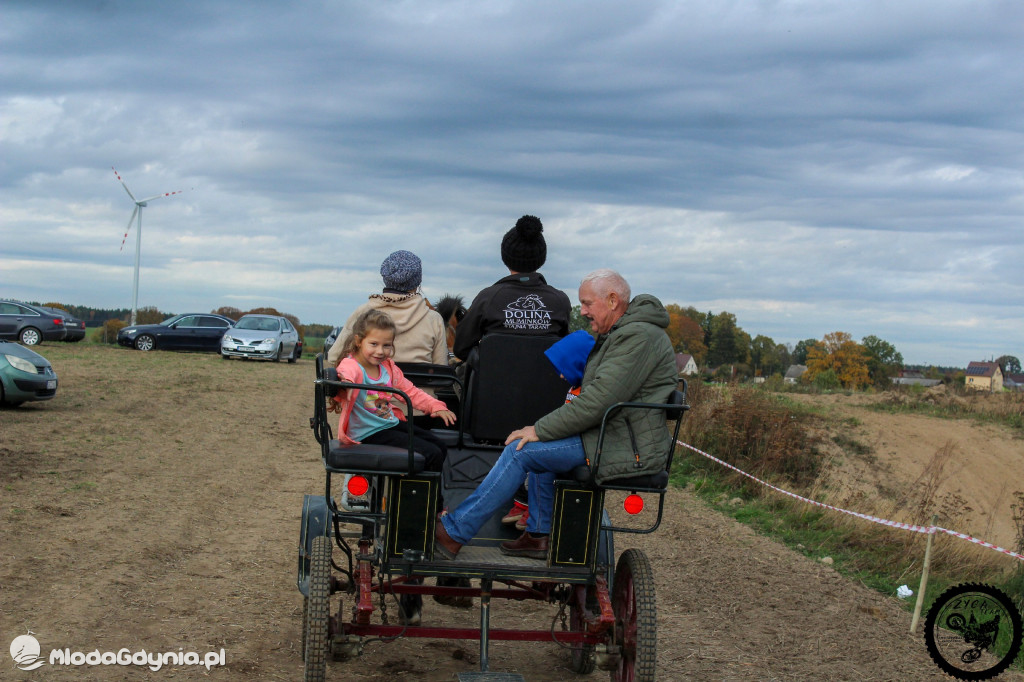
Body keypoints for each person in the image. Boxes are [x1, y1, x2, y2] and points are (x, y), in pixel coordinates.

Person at [435, 269, 678, 560]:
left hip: (622, 444)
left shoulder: (636, 337)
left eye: (587, 303)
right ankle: (539, 535)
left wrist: (538, 429)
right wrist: (545, 429)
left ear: (612, 300)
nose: (583, 311)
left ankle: (454, 532)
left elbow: (598, 401)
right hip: (610, 434)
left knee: (520, 449)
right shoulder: (627, 332)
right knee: (540, 451)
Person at [329, 309, 456, 471]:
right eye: (374, 344)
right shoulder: (352, 366)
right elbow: (346, 375)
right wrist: (345, 382)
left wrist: (435, 406)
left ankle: (423, 493)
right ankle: (416, 494)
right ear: (359, 341)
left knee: (440, 446)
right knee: (432, 453)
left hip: (388, 424)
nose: (380, 351)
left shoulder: (387, 367)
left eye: (386, 345)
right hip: (367, 433)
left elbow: (410, 391)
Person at [501, 329, 596, 532]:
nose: (561, 375)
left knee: (530, 455)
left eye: (566, 369)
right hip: (567, 439)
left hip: (580, 445)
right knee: (532, 452)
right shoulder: (574, 390)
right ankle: (537, 523)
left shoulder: (589, 394)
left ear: (580, 363)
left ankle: (534, 516)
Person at [452, 215, 572, 362]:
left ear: (505, 257)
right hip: (547, 383)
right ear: (541, 258)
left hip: (494, 383)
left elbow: (461, 348)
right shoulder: (560, 301)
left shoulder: (488, 298)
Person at [327, 250, 447, 369]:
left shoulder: (363, 313)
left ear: (386, 278)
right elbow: (441, 369)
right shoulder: (434, 319)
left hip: (366, 387)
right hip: (419, 388)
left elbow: (334, 357)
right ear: (417, 282)